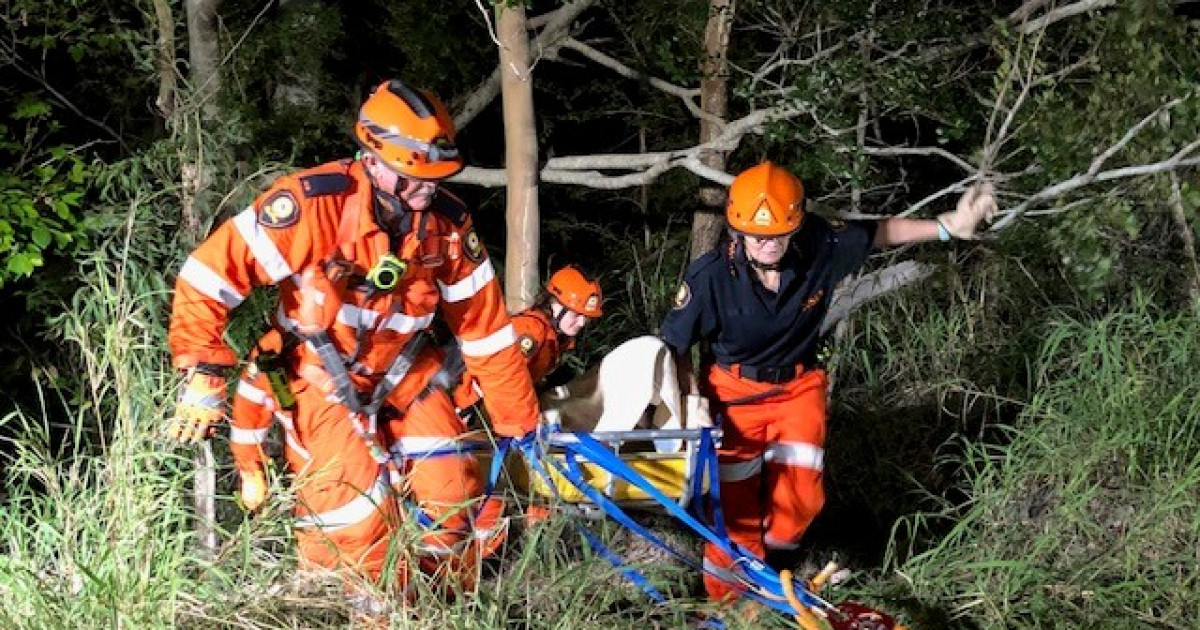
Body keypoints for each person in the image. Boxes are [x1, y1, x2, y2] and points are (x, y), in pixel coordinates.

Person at [165, 79, 541, 600]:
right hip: (318, 375)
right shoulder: (310, 207)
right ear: (373, 160)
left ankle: (438, 606)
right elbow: (209, 277)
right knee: (351, 513)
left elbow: (487, 333)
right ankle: (360, 611)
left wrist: (520, 426)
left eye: (433, 180)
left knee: (453, 490)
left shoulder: (447, 226)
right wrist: (204, 373)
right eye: (412, 180)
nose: (425, 192)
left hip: (407, 373)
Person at [658, 161, 996, 602]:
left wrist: (949, 225)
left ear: (796, 225)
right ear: (736, 230)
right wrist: (690, 400)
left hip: (799, 388)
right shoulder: (709, 277)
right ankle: (730, 604)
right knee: (733, 510)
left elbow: (877, 233)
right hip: (732, 393)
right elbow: (675, 344)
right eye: (755, 235)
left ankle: (774, 572)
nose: (766, 244)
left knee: (799, 503)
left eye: (778, 233)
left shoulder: (820, 243)